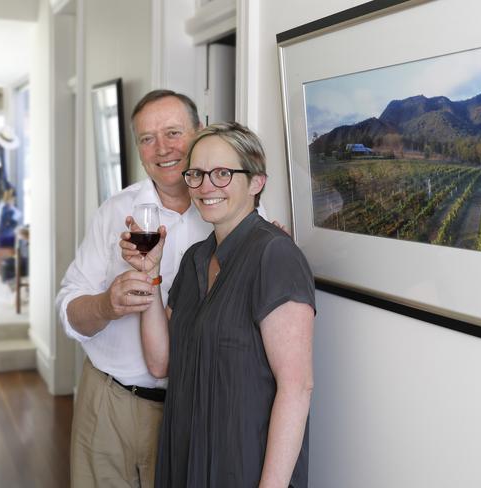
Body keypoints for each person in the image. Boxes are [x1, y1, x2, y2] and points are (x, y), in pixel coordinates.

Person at [56, 90, 268, 487]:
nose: (162, 149)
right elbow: (69, 307)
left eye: (173, 132)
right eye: (147, 138)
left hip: (198, 409)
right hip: (111, 404)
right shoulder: (116, 211)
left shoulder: (241, 215)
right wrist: (106, 305)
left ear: (200, 132)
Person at [120, 122, 315, 487]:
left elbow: (297, 387)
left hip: (243, 463)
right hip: (187, 451)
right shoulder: (196, 256)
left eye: (223, 173)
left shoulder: (275, 255)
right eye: (196, 173)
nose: (206, 186)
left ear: (256, 182)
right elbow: (161, 362)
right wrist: (150, 274)